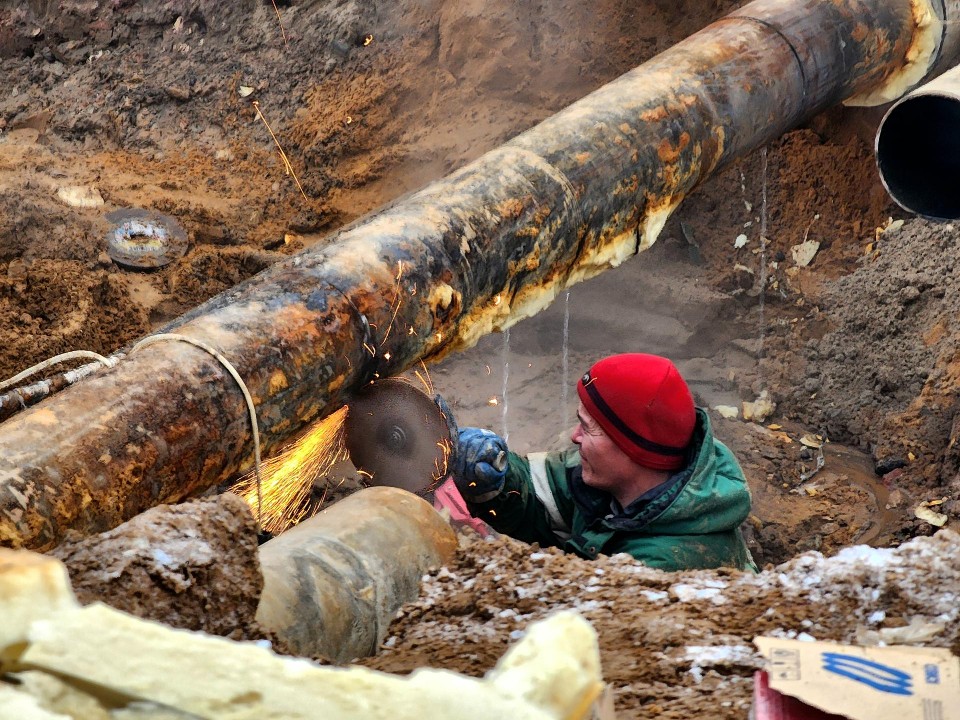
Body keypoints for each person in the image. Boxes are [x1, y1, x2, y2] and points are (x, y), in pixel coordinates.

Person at [438, 353, 757, 572]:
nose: (575, 436)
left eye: (588, 428)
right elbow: (540, 492)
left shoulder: (663, 566)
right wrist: (495, 475)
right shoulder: (610, 485)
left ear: (634, 449)